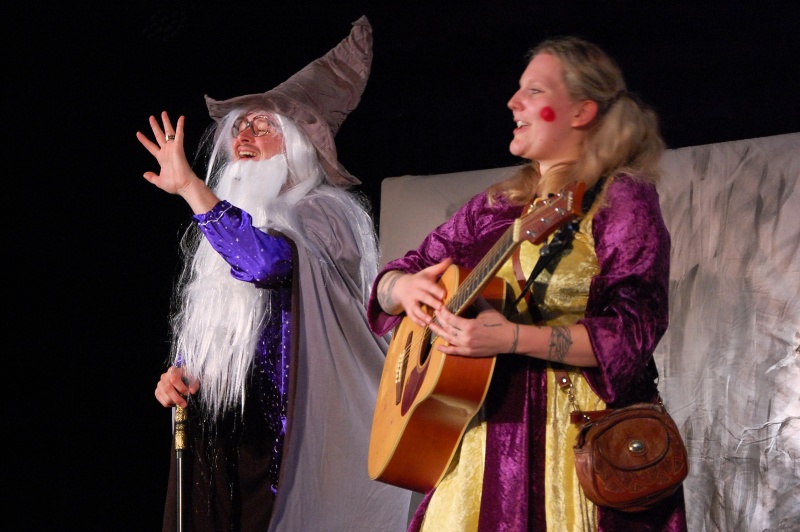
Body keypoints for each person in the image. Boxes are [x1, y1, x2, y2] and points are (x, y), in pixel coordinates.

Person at [368, 36, 687, 531]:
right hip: (478, 442)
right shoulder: (495, 206)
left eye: (534, 91)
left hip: (569, 442)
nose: (513, 102)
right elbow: (396, 275)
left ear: (581, 111)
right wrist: (403, 289)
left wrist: (514, 338)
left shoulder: (620, 197)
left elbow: (632, 333)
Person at [137, 16, 411, 532]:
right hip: (228, 433)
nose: (245, 135)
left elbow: (267, 263)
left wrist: (194, 189)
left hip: (297, 435)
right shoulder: (223, 223)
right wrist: (184, 372)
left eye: (264, 127)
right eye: (240, 127)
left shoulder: (326, 212)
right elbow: (228, 317)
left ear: (300, 144)